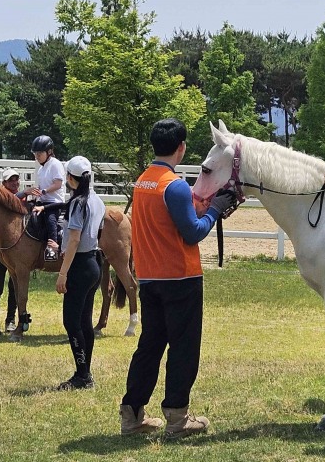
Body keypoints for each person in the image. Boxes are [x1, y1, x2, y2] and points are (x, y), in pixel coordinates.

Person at [119, 118, 237, 438]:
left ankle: (132, 414)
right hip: (180, 278)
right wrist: (216, 210)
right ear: (181, 148)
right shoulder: (175, 186)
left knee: (150, 346)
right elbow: (192, 233)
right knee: (183, 348)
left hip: (150, 278)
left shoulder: (143, 181)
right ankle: (177, 417)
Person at [34, 156, 106, 390]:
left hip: (79, 265)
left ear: (73, 179)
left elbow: (75, 238)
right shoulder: (97, 201)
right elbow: (95, 233)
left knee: (71, 322)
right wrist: (63, 245)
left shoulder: (78, 203)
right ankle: (85, 372)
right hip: (94, 261)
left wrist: (63, 273)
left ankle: (82, 375)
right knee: (85, 321)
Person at [0, 168, 26, 335]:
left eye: (16, 179)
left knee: (13, 285)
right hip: (2, 248)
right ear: (4, 184)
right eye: (11, 180)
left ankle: (11, 319)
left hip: (16, 249)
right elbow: (11, 202)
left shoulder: (23, 198)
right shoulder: (1, 198)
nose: (15, 183)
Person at [29, 135, 66, 261]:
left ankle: (52, 250)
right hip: (43, 201)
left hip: (55, 202)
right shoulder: (41, 169)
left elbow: (58, 184)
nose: (37, 156)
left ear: (49, 152)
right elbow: (41, 186)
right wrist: (36, 193)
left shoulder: (55, 164)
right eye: (35, 153)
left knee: (51, 220)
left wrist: (44, 191)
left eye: (39, 153)